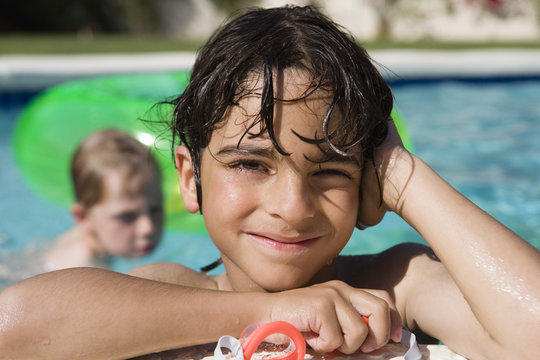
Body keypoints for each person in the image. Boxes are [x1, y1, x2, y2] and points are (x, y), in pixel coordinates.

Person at [0, 6, 538, 360]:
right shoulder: (173, 294)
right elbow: (15, 328)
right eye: (250, 164)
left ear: (366, 184)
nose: (292, 206)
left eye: (329, 170)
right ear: (191, 180)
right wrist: (268, 314)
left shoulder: (397, 284)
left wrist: (403, 176)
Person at [44, 129, 163, 270]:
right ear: (83, 217)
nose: (148, 228)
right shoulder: (82, 273)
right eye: (127, 217)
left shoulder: (97, 235)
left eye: (155, 208)